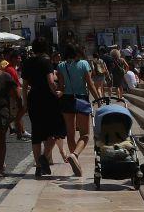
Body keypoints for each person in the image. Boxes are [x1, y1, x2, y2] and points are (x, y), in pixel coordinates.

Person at [22, 39, 66, 178]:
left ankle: (38, 166)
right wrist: (58, 92)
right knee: (55, 130)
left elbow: (24, 86)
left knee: (36, 133)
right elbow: (51, 82)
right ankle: (44, 156)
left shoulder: (27, 62)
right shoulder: (46, 61)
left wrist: (25, 103)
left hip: (33, 98)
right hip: (48, 99)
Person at [57, 44, 99, 176]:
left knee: (70, 134)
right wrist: (98, 99)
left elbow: (61, 87)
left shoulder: (61, 66)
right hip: (81, 99)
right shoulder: (84, 64)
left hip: (66, 99)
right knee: (85, 134)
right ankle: (75, 154)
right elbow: (90, 84)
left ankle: (75, 161)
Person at [0, 63, 23, 178]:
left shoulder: (5, 76)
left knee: (0, 138)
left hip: (2, 110)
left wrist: (19, 109)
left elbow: (15, 92)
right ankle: (1, 162)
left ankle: (0, 168)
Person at [3, 50, 29, 140]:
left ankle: (20, 133)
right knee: (17, 114)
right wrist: (18, 99)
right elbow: (13, 86)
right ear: (13, 59)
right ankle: (19, 133)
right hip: (13, 96)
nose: (20, 60)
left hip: (15, 95)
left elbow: (17, 83)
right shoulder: (10, 70)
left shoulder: (12, 69)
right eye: (18, 58)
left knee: (18, 114)